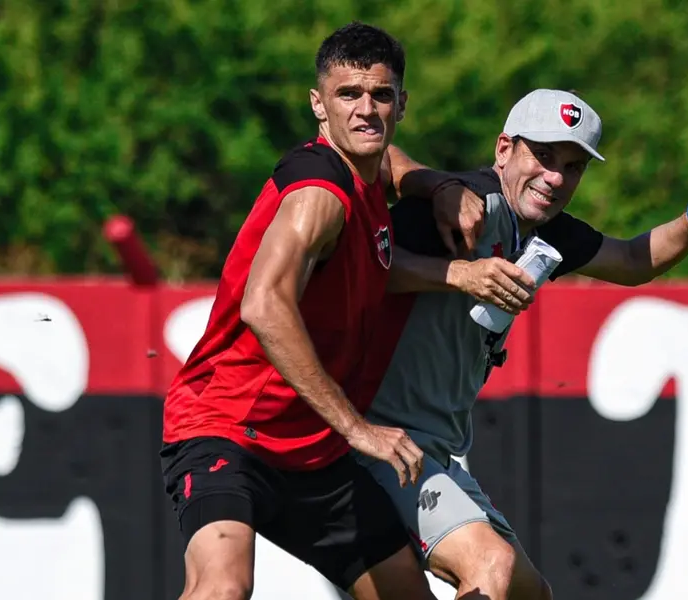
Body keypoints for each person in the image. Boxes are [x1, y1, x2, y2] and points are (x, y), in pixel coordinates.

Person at [158, 22, 536, 600]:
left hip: (313, 452)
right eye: (347, 95)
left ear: (401, 104)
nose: (366, 110)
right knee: (222, 588)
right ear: (318, 105)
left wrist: (435, 192)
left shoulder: (365, 174)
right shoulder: (320, 194)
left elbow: (382, 210)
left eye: (381, 96)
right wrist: (358, 428)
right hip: (230, 431)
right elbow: (265, 305)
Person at [356, 88, 688, 600]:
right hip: (377, 441)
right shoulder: (462, 205)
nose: (555, 178)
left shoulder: (546, 231)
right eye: (544, 156)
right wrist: (459, 273)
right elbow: (359, 265)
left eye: (573, 167)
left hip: (430, 453)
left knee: (532, 594)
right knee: (492, 565)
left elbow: (634, 260)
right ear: (504, 149)